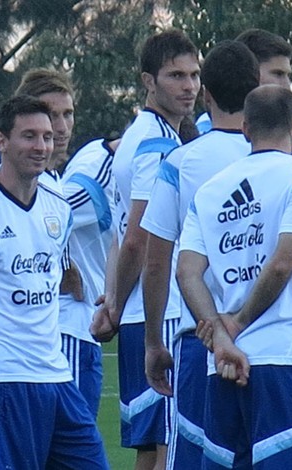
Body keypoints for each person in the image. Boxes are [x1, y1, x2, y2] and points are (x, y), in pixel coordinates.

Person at [0, 95, 109, 469]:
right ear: (1, 141)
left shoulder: (57, 205)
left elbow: (57, 266)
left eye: (47, 137)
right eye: (29, 136)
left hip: (55, 373)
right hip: (0, 377)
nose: (41, 146)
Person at [179, 84, 292, 468]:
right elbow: (283, 263)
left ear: (245, 129)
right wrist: (240, 321)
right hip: (287, 355)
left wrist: (220, 333)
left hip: (226, 361)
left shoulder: (210, 190)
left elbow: (187, 273)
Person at [140, 40, 259, 469]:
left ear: (205, 95)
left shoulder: (181, 162)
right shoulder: (289, 162)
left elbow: (157, 262)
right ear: (256, 90)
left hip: (201, 337)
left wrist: (153, 340)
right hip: (271, 341)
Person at [92, 29, 200, 470]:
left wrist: (115, 299)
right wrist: (115, 303)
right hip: (161, 310)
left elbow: (121, 233)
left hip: (140, 308)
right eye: (175, 75)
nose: (189, 86)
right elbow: (138, 236)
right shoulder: (157, 145)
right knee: (167, 448)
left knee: (151, 448)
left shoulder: (140, 134)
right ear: (148, 81)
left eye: (194, 75)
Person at [59, 136, 119, 417]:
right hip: (71, 323)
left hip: (80, 327)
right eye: (51, 116)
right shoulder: (95, 177)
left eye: (67, 115)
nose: (60, 128)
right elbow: (40, 217)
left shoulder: (92, 155)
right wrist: (62, 265)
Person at [195, 28, 292, 134]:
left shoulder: (287, 132)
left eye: (288, 76)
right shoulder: (205, 130)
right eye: (278, 74)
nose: (287, 86)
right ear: (251, 71)